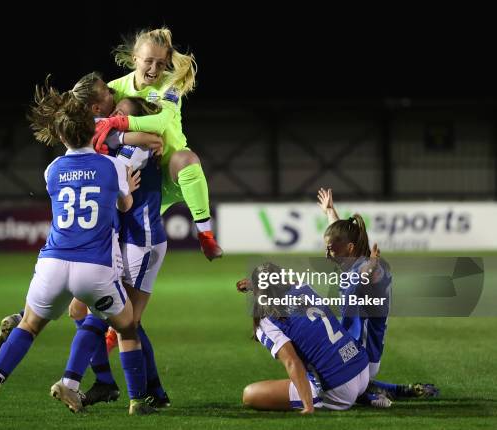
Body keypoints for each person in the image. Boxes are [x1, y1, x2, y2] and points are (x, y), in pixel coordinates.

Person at [0, 78, 157, 416]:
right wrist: (127, 187)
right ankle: (138, 400)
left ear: (62, 136)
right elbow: (124, 206)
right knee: (125, 327)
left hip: (52, 263)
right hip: (95, 268)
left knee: (30, 326)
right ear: (94, 129)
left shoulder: (52, 171)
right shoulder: (113, 166)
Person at [64, 94, 170, 409]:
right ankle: (145, 392)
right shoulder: (115, 144)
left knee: (118, 319)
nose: (115, 117)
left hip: (143, 239)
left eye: (122, 114)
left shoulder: (135, 149)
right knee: (114, 318)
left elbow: (111, 173)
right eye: (114, 112)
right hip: (126, 240)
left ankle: (98, 384)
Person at [89, 27, 223, 261]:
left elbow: (160, 123)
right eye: (148, 61)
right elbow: (92, 119)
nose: (154, 69)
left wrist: (118, 122)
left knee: (187, 159)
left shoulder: (170, 87)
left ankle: (206, 236)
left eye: (161, 63)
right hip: (138, 180)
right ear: (135, 59)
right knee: (116, 261)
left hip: (170, 171)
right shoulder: (115, 88)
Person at [318, 187, 439, 401]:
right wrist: (330, 212)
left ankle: (371, 395)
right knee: (317, 354)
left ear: (349, 248)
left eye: (330, 250)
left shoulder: (368, 267)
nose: (327, 255)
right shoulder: (351, 259)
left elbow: (375, 277)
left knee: (317, 373)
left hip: (362, 355)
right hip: (354, 350)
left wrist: (373, 268)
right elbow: (339, 237)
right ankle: (390, 390)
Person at [237, 263, 371, 412]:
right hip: (362, 366)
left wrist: (308, 406)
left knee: (250, 394)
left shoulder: (267, 320)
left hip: (339, 389)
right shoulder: (305, 286)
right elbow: (289, 283)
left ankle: (328, 397)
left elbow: (292, 361)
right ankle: (367, 393)